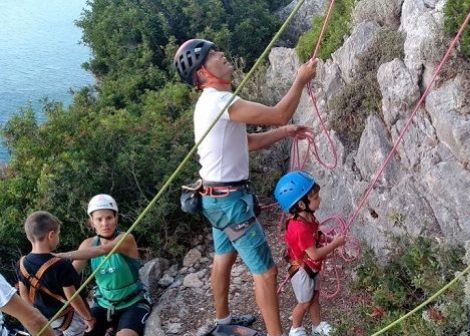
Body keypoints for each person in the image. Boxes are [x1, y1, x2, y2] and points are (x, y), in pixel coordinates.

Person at [173, 38, 317, 336]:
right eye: (211, 54)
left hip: (214, 199)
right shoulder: (220, 101)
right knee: (266, 271)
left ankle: (224, 323)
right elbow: (279, 112)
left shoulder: (210, 104)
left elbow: (246, 143)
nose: (221, 53)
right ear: (202, 73)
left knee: (223, 256)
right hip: (229, 202)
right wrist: (300, 80)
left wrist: (284, 132)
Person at [55, 194, 150, 336]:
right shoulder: (87, 245)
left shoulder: (126, 239)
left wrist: (60, 256)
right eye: (99, 219)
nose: (105, 223)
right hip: (103, 305)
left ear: (116, 219)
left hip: (133, 304)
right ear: (92, 222)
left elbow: (102, 250)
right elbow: (71, 275)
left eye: (109, 218)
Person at [274, 171, 345, 336]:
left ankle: (317, 326)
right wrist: (334, 244)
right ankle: (295, 328)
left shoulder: (309, 219)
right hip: (301, 270)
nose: (319, 200)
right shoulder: (299, 228)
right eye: (315, 198)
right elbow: (314, 254)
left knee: (314, 297)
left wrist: (328, 238)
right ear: (301, 204)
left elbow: (316, 236)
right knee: (305, 302)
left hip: (310, 267)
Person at [16, 211, 95, 336]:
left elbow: (24, 296)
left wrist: (35, 317)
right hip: (69, 318)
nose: (58, 238)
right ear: (51, 235)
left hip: (45, 320)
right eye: (58, 234)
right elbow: (72, 297)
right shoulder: (61, 264)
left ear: (28, 236)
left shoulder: (22, 263)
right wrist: (88, 317)